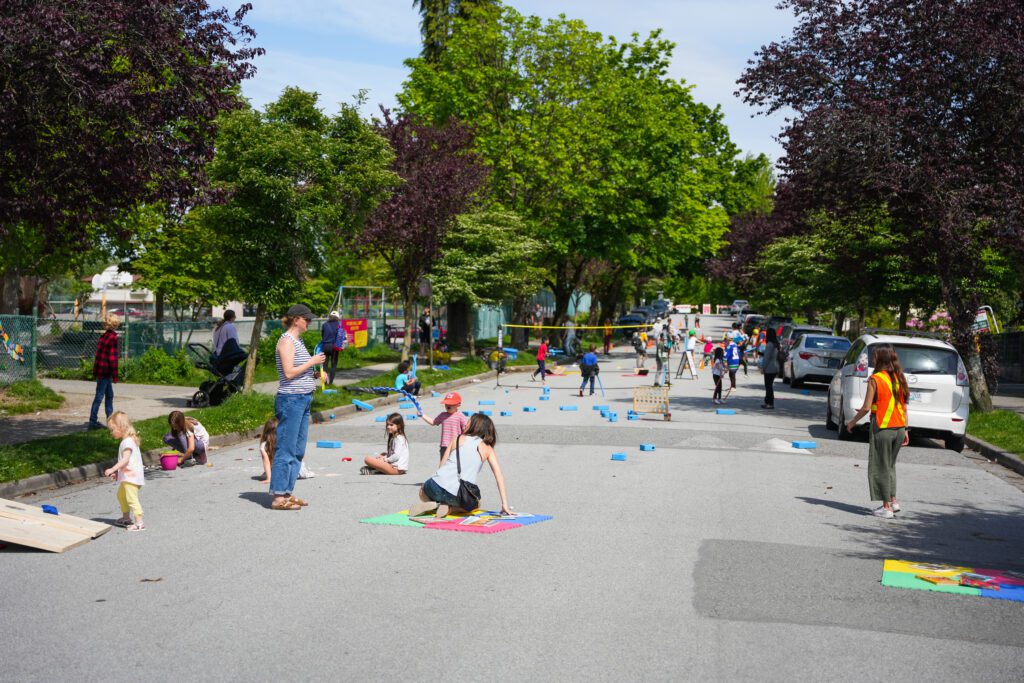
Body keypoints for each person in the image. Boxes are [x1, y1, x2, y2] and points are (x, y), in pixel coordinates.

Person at [269, 304, 324, 511]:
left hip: (303, 398)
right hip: (291, 399)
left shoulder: (298, 341)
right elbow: (289, 373)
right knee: (286, 448)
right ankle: (278, 497)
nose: (309, 322)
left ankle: (287, 493)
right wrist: (312, 362)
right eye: (306, 319)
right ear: (295, 319)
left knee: (298, 450)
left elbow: (299, 371)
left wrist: (316, 375)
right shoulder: (285, 341)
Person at [846, 345, 910, 519]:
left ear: (880, 359)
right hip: (899, 428)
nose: (873, 359)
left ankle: (886, 507)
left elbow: (866, 407)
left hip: (883, 427)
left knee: (880, 466)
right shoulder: (898, 377)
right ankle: (893, 500)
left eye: (875, 357)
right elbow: (903, 406)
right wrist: (905, 429)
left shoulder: (875, 379)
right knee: (890, 465)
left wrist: (852, 422)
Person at [408, 414, 512, 518]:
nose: (466, 424)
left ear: (475, 426)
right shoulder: (487, 448)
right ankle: (450, 508)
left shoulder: (457, 439)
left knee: (422, 491)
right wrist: (504, 504)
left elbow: (441, 467)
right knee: (477, 503)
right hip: (458, 494)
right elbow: (499, 476)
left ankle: (435, 504)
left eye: (469, 422)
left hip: (434, 486)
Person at [103, 411, 145, 531]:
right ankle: (126, 518)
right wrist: (118, 473)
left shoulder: (127, 442)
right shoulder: (129, 440)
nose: (111, 433)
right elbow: (128, 461)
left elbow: (125, 460)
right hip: (128, 475)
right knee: (121, 495)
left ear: (121, 427)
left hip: (131, 477)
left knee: (131, 498)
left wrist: (113, 468)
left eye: (112, 429)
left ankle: (139, 522)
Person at [88, 314, 121, 430]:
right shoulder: (113, 338)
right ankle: (93, 421)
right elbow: (112, 358)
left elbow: (98, 356)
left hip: (100, 371)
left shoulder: (103, 336)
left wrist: (95, 371)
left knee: (109, 396)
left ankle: (109, 421)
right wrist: (115, 376)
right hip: (106, 372)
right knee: (100, 397)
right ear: (116, 325)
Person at [418, 392, 469, 461]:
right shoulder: (443, 415)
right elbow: (433, 422)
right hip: (444, 446)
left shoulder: (460, 416)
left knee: (455, 465)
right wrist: (422, 415)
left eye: (451, 404)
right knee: (444, 465)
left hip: (456, 446)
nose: (448, 405)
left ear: (458, 404)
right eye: (446, 404)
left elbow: (466, 430)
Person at [760, 327, 780, 409]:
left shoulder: (769, 345)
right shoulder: (776, 344)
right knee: (769, 386)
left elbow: (766, 358)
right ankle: (768, 402)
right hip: (775, 367)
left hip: (769, 368)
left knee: (768, 386)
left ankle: (769, 403)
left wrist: (763, 368)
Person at [320, 311, 342, 385]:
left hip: (325, 346)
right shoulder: (339, 325)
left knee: (325, 365)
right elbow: (340, 336)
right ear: (337, 318)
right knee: (333, 364)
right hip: (334, 347)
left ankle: (325, 382)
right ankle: (331, 383)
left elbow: (322, 335)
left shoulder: (324, 325)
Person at [257, 417, 278, 483]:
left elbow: (266, 462)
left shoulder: (264, 445)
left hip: (277, 471)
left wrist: (269, 478)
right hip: (291, 469)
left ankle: (270, 475)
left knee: (264, 475)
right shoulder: (284, 440)